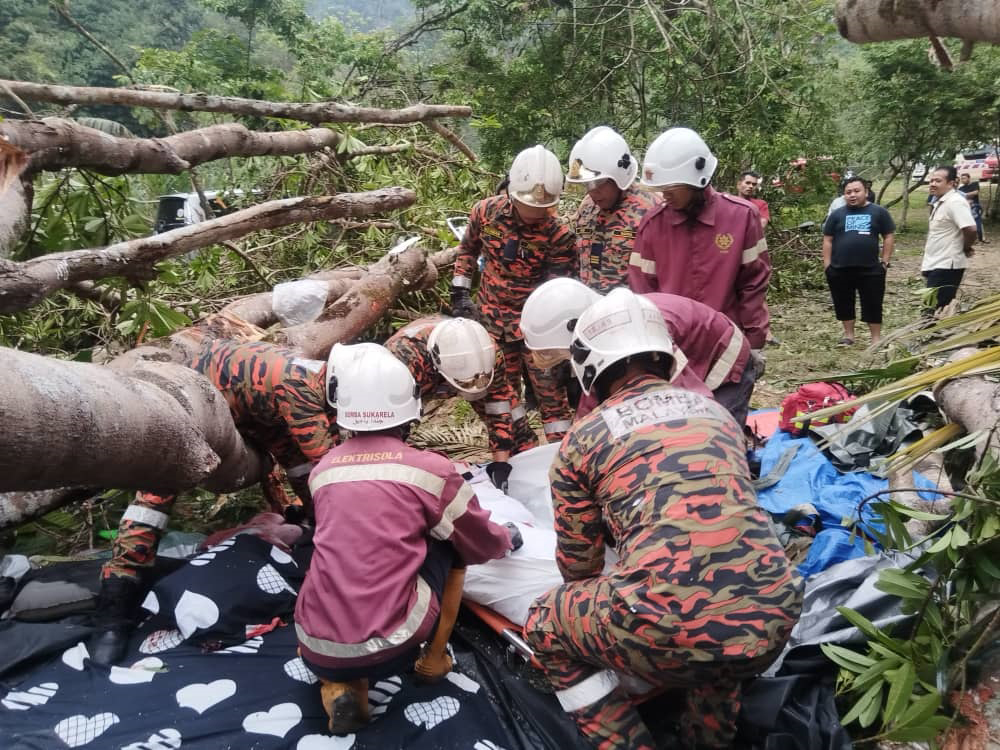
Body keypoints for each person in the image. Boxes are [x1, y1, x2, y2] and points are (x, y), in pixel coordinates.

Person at [523, 289, 802, 749]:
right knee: (720, 613)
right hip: (772, 616)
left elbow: (579, 569)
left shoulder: (583, 439)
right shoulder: (717, 414)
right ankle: (708, 739)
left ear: (588, 365)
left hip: (666, 630)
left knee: (545, 624)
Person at [295, 343, 520, 734]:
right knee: (450, 544)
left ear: (343, 412)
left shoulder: (323, 470)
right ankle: (433, 661)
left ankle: (341, 689)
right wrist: (506, 539)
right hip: (391, 642)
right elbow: (478, 540)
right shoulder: (429, 471)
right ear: (411, 407)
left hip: (314, 641)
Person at [91, 337, 342, 665]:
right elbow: (330, 463)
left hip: (252, 408)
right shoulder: (299, 389)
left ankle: (314, 530)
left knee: (299, 466)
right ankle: (118, 597)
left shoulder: (316, 381)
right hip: (197, 403)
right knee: (156, 494)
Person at [452, 144, 577, 442]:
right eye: (531, 210)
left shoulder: (559, 235)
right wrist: (459, 293)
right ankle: (521, 447)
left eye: (543, 210)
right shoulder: (486, 213)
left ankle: (560, 455)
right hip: (492, 323)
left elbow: (557, 293)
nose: (537, 216)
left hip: (537, 331)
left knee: (552, 398)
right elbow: (467, 250)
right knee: (502, 395)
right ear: (512, 193)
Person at [520, 277, 759, 425]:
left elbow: (685, 397)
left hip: (722, 360)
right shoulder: (608, 332)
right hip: (689, 357)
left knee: (714, 435)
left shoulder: (642, 327)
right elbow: (593, 398)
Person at [628, 127, 771, 351]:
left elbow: (753, 284)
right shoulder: (653, 225)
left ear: (697, 179)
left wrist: (754, 343)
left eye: (671, 187)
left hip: (727, 344)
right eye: (661, 188)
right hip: (673, 347)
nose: (664, 194)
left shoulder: (741, 217)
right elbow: (643, 292)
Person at [385, 315, 536, 492]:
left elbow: (498, 404)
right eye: (465, 385)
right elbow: (391, 419)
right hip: (413, 381)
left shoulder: (488, 352)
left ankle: (527, 467)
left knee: (515, 420)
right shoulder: (402, 362)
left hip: (465, 373)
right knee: (393, 443)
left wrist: (501, 464)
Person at [566, 126, 657, 292]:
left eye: (599, 183)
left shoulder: (650, 210)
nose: (593, 192)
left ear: (618, 176)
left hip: (633, 310)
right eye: (587, 185)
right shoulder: (587, 206)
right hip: (590, 308)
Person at [822, 175, 896, 347]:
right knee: (843, 302)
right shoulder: (837, 214)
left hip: (870, 268)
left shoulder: (879, 212)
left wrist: (884, 262)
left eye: (856, 191)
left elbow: (888, 236)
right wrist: (827, 265)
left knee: (873, 302)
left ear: (866, 191)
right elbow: (828, 239)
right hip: (840, 268)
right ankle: (848, 336)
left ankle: (876, 338)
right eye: (848, 192)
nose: (852, 195)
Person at [923, 166, 977, 311]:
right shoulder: (940, 201)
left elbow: (970, 229)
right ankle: (932, 332)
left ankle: (936, 333)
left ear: (951, 183)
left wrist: (966, 247)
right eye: (931, 180)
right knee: (931, 305)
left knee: (936, 308)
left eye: (938, 181)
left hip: (947, 264)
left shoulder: (955, 202)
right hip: (935, 261)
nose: (933, 184)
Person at [958, 172, 987, 243]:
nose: (962, 180)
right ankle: (973, 239)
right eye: (962, 179)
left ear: (969, 178)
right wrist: (967, 196)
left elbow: (976, 193)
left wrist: (964, 195)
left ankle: (982, 238)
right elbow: (961, 197)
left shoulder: (975, 184)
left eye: (964, 178)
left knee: (978, 223)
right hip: (966, 207)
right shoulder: (961, 188)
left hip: (975, 206)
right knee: (969, 223)